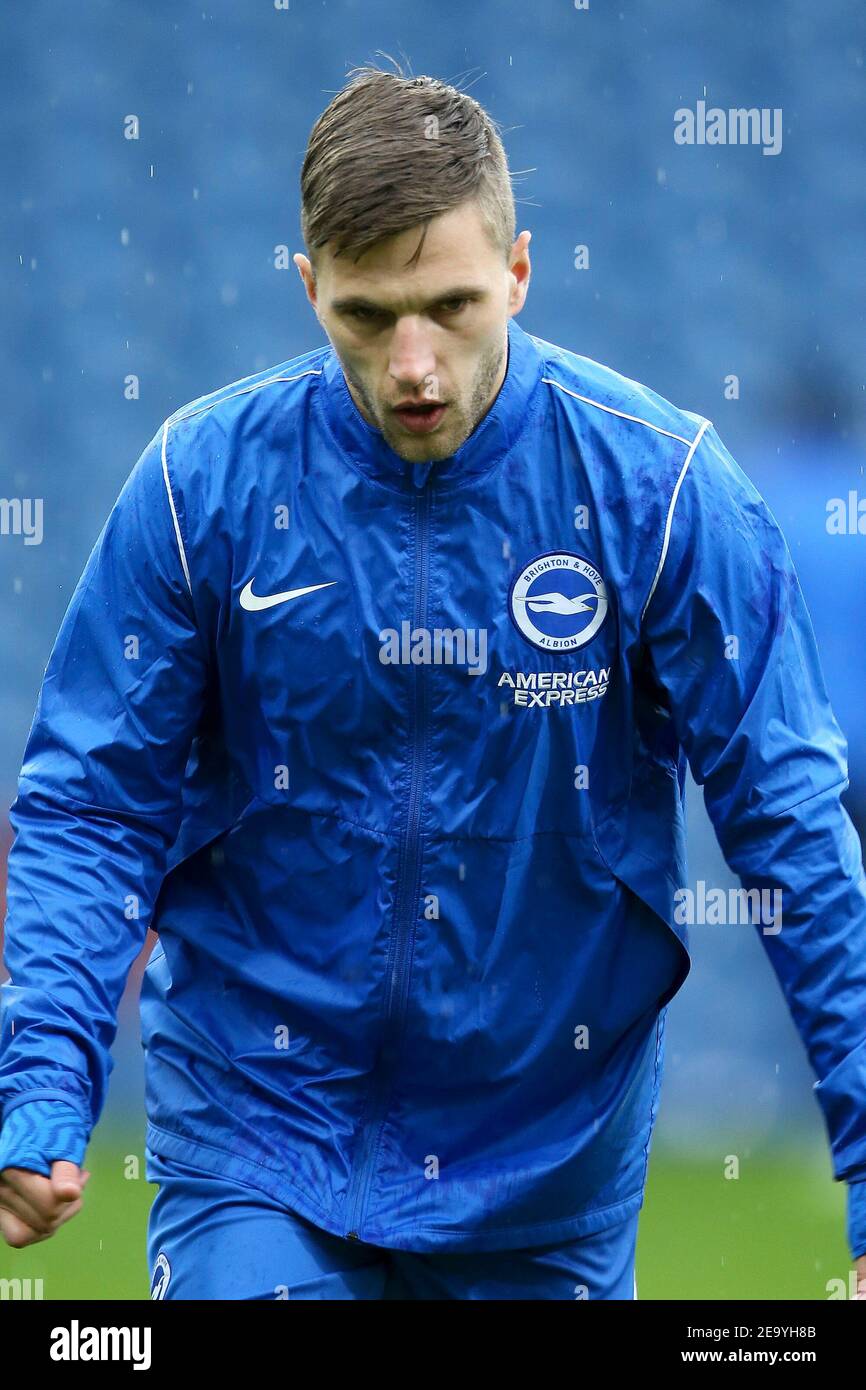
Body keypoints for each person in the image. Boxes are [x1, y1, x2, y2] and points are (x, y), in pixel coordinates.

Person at [2, 62, 866, 1302]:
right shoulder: (201, 490)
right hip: (261, 1126)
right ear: (308, 289)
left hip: (543, 1156)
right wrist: (42, 1080)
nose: (414, 363)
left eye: (452, 306)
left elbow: (786, 819)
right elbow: (93, 800)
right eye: (365, 316)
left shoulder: (660, 490)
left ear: (516, 271)